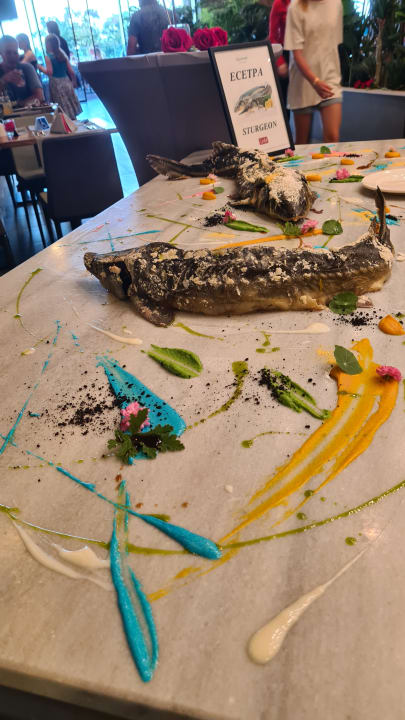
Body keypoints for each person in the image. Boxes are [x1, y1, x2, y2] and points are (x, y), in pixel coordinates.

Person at [284, 0, 343, 144]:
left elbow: (333, 43)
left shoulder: (336, 4)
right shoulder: (295, 7)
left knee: (332, 137)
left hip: (330, 78)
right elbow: (296, 53)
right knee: (302, 143)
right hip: (303, 82)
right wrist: (315, 81)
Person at [38, 34, 81, 119]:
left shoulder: (48, 57)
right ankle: (74, 122)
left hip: (56, 84)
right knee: (70, 104)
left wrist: (40, 67)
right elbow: (71, 72)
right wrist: (74, 82)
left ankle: (66, 123)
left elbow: (50, 72)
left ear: (48, 44)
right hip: (66, 81)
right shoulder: (62, 55)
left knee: (62, 107)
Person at [0, 35, 44, 106]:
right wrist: (3, 81)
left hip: (29, 112)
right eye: (8, 52)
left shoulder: (26, 68)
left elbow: (40, 96)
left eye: (15, 52)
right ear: (1, 53)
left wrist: (17, 105)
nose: (12, 56)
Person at [268, 0, 291, 117]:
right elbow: (272, 37)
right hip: (286, 54)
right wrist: (280, 61)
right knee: (284, 100)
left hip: (305, 53)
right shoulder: (279, 3)